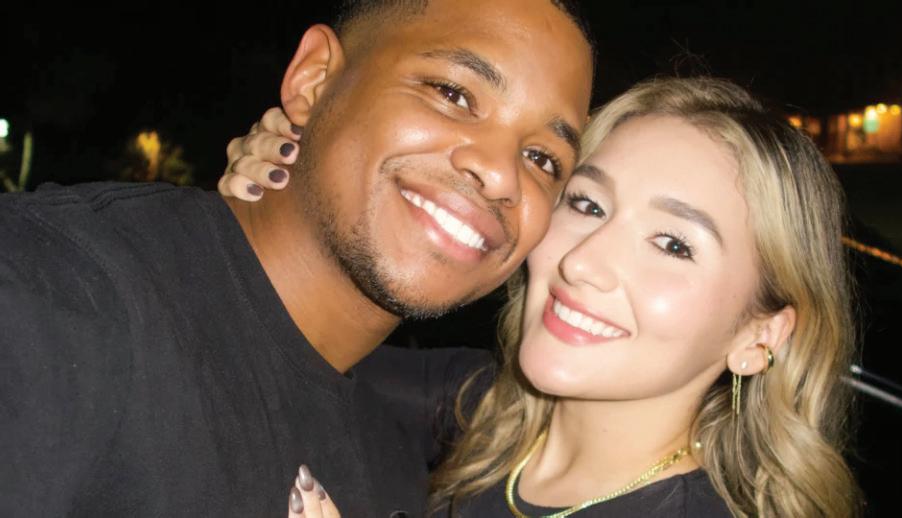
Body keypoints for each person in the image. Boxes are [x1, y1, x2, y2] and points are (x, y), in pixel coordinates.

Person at [0, 1, 594, 516]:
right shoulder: (56, 296)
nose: (501, 175)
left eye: (543, 159)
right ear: (314, 80)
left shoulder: (397, 467)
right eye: (453, 94)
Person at [226, 77, 861, 517]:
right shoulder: (480, 410)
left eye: (673, 244)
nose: (582, 262)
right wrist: (277, 211)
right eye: (587, 204)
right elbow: (263, 342)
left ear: (759, 335)